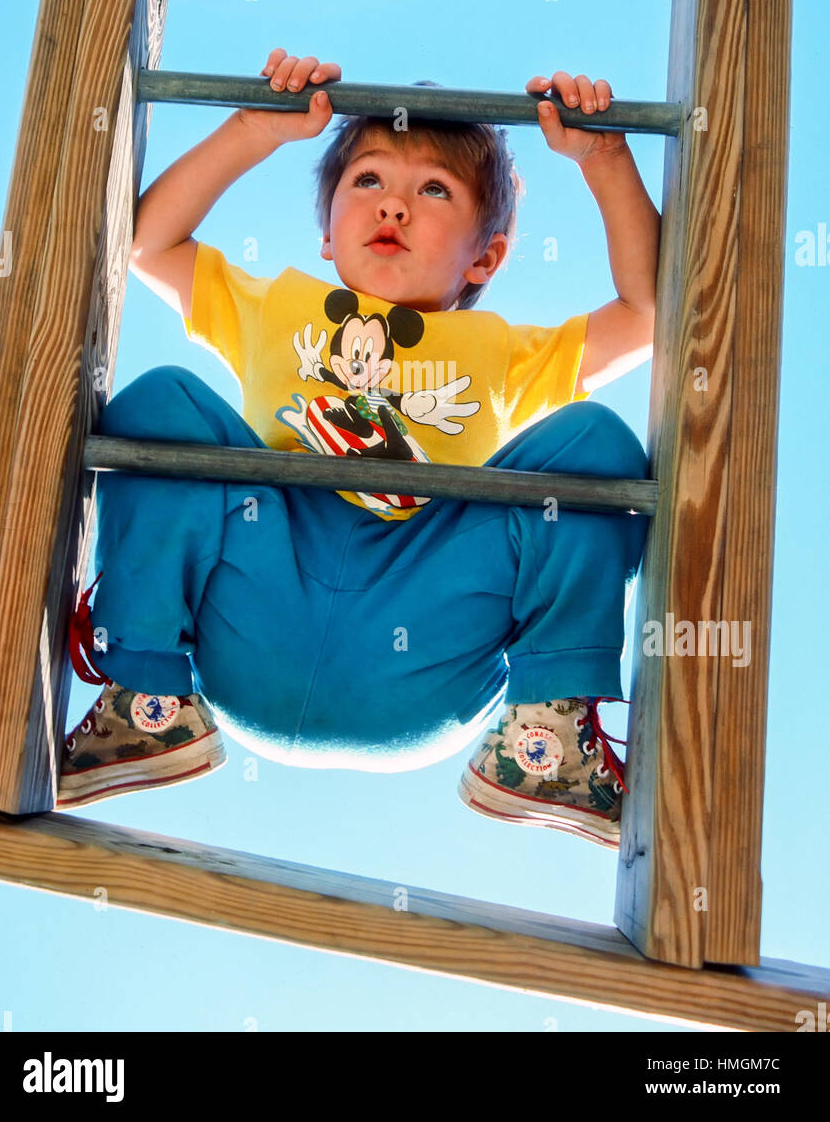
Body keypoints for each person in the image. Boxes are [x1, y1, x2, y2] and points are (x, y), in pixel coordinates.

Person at [58, 47, 659, 849]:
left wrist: (605, 160)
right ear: (326, 231)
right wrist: (252, 131)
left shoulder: (502, 352)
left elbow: (651, 313)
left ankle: (545, 734)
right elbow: (148, 243)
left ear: (484, 256)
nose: (394, 207)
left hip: (419, 624)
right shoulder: (276, 308)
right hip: (260, 601)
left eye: (434, 191)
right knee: (164, 403)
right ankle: (146, 695)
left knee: (595, 445)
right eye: (368, 180)